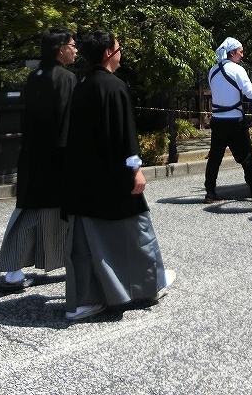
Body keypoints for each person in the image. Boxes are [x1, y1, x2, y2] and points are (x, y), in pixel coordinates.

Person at [60, 30, 174, 322]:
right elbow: (125, 134)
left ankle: (84, 301)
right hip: (113, 175)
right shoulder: (115, 86)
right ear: (108, 53)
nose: (121, 52)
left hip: (84, 177)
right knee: (136, 233)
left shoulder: (81, 84)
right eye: (118, 48)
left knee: (84, 244)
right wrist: (135, 169)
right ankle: (148, 286)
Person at [0, 27, 77, 292]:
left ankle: (14, 271)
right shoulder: (66, 78)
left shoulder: (34, 77)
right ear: (60, 49)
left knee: (30, 211)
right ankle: (79, 264)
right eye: (72, 45)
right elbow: (67, 122)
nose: (76, 50)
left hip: (32, 155)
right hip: (56, 157)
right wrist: (69, 157)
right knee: (68, 213)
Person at [204, 37, 252, 202]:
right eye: (240, 52)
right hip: (235, 121)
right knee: (247, 157)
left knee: (215, 157)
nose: (242, 55)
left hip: (217, 120)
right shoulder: (238, 70)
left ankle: (210, 191)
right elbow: (250, 94)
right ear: (232, 53)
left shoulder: (213, 70)